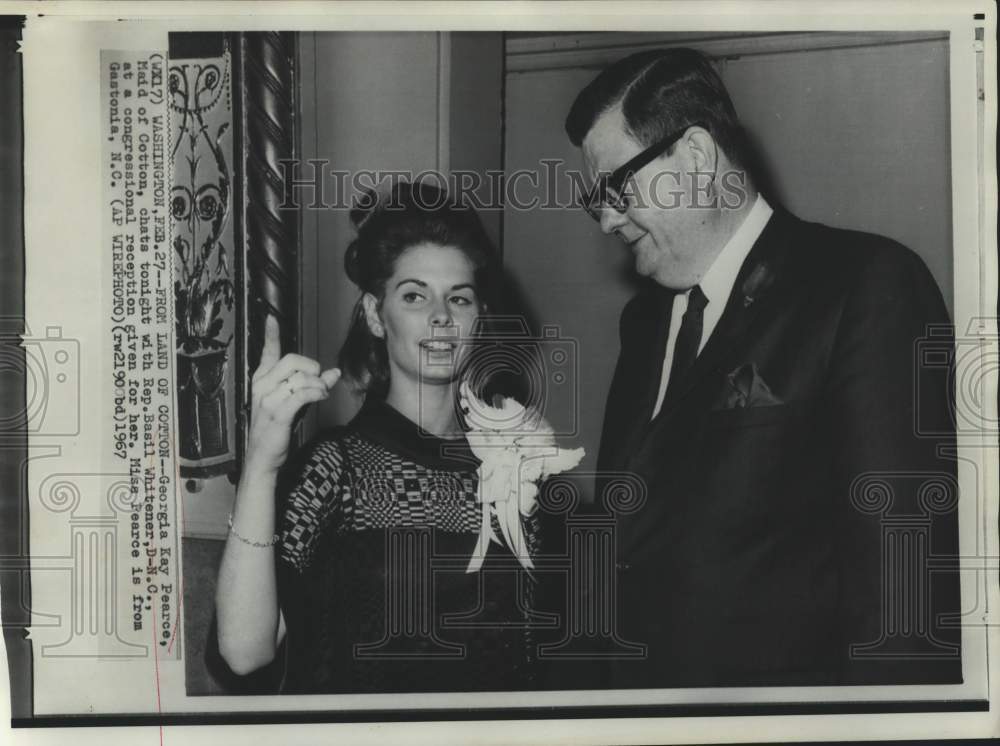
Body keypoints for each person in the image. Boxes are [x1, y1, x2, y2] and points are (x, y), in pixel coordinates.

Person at [565, 48, 961, 687]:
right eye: (596, 199)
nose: (607, 219)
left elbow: (903, 598)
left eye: (617, 187)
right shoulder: (642, 327)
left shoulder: (862, 285)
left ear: (695, 156)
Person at [215, 182, 549, 693]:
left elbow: (532, 658)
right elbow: (243, 654)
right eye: (414, 295)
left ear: (477, 321)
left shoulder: (514, 471)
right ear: (376, 314)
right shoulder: (335, 469)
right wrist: (261, 463)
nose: (441, 315)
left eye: (459, 298)